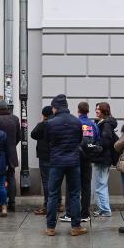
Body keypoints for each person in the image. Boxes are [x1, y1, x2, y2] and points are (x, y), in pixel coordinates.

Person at [44, 94, 87, 237]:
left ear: (55, 108)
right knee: (74, 194)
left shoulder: (51, 123)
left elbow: (48, 140)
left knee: (53, 194)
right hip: (74, 162)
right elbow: (80, 140)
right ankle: (76, 227)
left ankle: (50, 227)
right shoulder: (76, 121)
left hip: (56, 162)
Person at [60, 102, 97, 223]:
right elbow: (97, 139)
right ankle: (85, 214)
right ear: (88, 111)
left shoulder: (75, 123)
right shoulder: (92, 124)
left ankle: (70, 213)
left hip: (75, 158)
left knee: (72, 187)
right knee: (86, 187)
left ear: (78, 110)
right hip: (88, 159)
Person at [30, 106, 63, 215]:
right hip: (57, 156)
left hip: (45, 156)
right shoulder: (58, 123)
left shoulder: (44, 124)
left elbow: (33, 134)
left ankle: (48, 205)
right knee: (56, 180)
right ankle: (58, 203)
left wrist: (42, 122)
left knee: (46, 181)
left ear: (44, 115)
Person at [0, 100, 21, 211]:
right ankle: (12, 203)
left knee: (0, 178)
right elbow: (19, 136)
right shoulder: (14, 118)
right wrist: (12, 146)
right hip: (11, 152)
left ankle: (2, 203)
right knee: (11, 177)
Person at [92, 102, 117, 217]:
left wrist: (93, 145)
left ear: (104, 111)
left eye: (99, 109)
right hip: (101, 158)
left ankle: (105, 210)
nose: (96, 111)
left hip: (103, 159)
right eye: (96, 109)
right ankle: (102, 209)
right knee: (99, 185)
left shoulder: (106, 124)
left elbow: (106, 141)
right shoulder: (102, 123)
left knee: (100, 185)